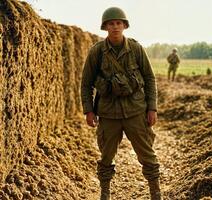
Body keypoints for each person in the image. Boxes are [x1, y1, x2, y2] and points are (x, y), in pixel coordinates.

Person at [81, 7, 161, 200]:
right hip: (108, 113)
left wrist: (152, 107)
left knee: (148, 156)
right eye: (111, 23)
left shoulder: (135, 49)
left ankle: (156, 193)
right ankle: (105, 194)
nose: (115, 27)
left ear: (124, 26)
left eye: (118, 23)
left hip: (136, 111)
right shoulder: (97, 52)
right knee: (106, 157)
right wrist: (88, 111)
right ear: (105, 27)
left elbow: (149, 78)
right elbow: (86, 83)